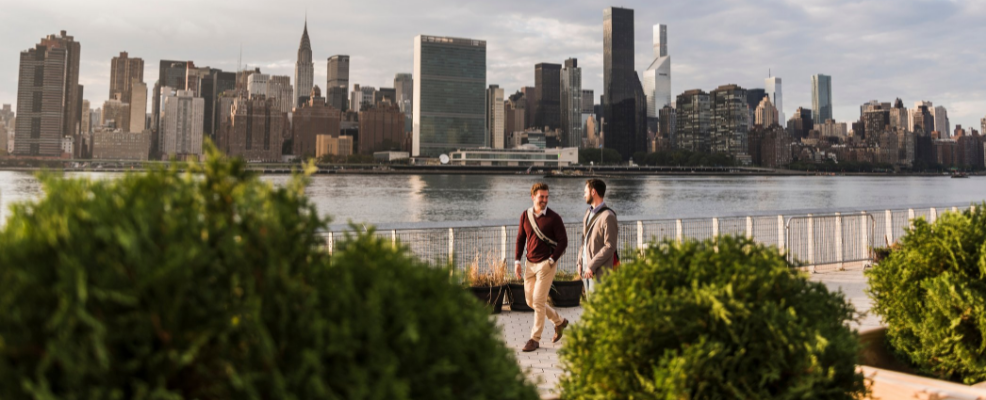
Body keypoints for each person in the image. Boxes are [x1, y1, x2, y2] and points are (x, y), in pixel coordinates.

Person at [514, 182, 569, 352]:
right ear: (533, 197)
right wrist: (517, 261)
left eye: (546, 197)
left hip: (546, 264)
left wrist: (552, 260)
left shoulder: (554, 218)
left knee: (538, 301)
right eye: (541, 197)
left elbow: (563, 241)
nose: (544, 200)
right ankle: (559, 322)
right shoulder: (525, 215)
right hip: (529, 264)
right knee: (531, 301)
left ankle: (535, 339)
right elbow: (520, 239)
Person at [577, 179, 618, 298]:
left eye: (586, 192)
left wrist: (592, 266)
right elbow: (584, 240)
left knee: (599, 307)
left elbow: (610, 246)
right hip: (586, 267)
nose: (584, 194)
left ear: (593, 192)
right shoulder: (587, 213)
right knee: (590, 306)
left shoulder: (608, 216)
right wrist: (579, 262)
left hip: (599, 271)